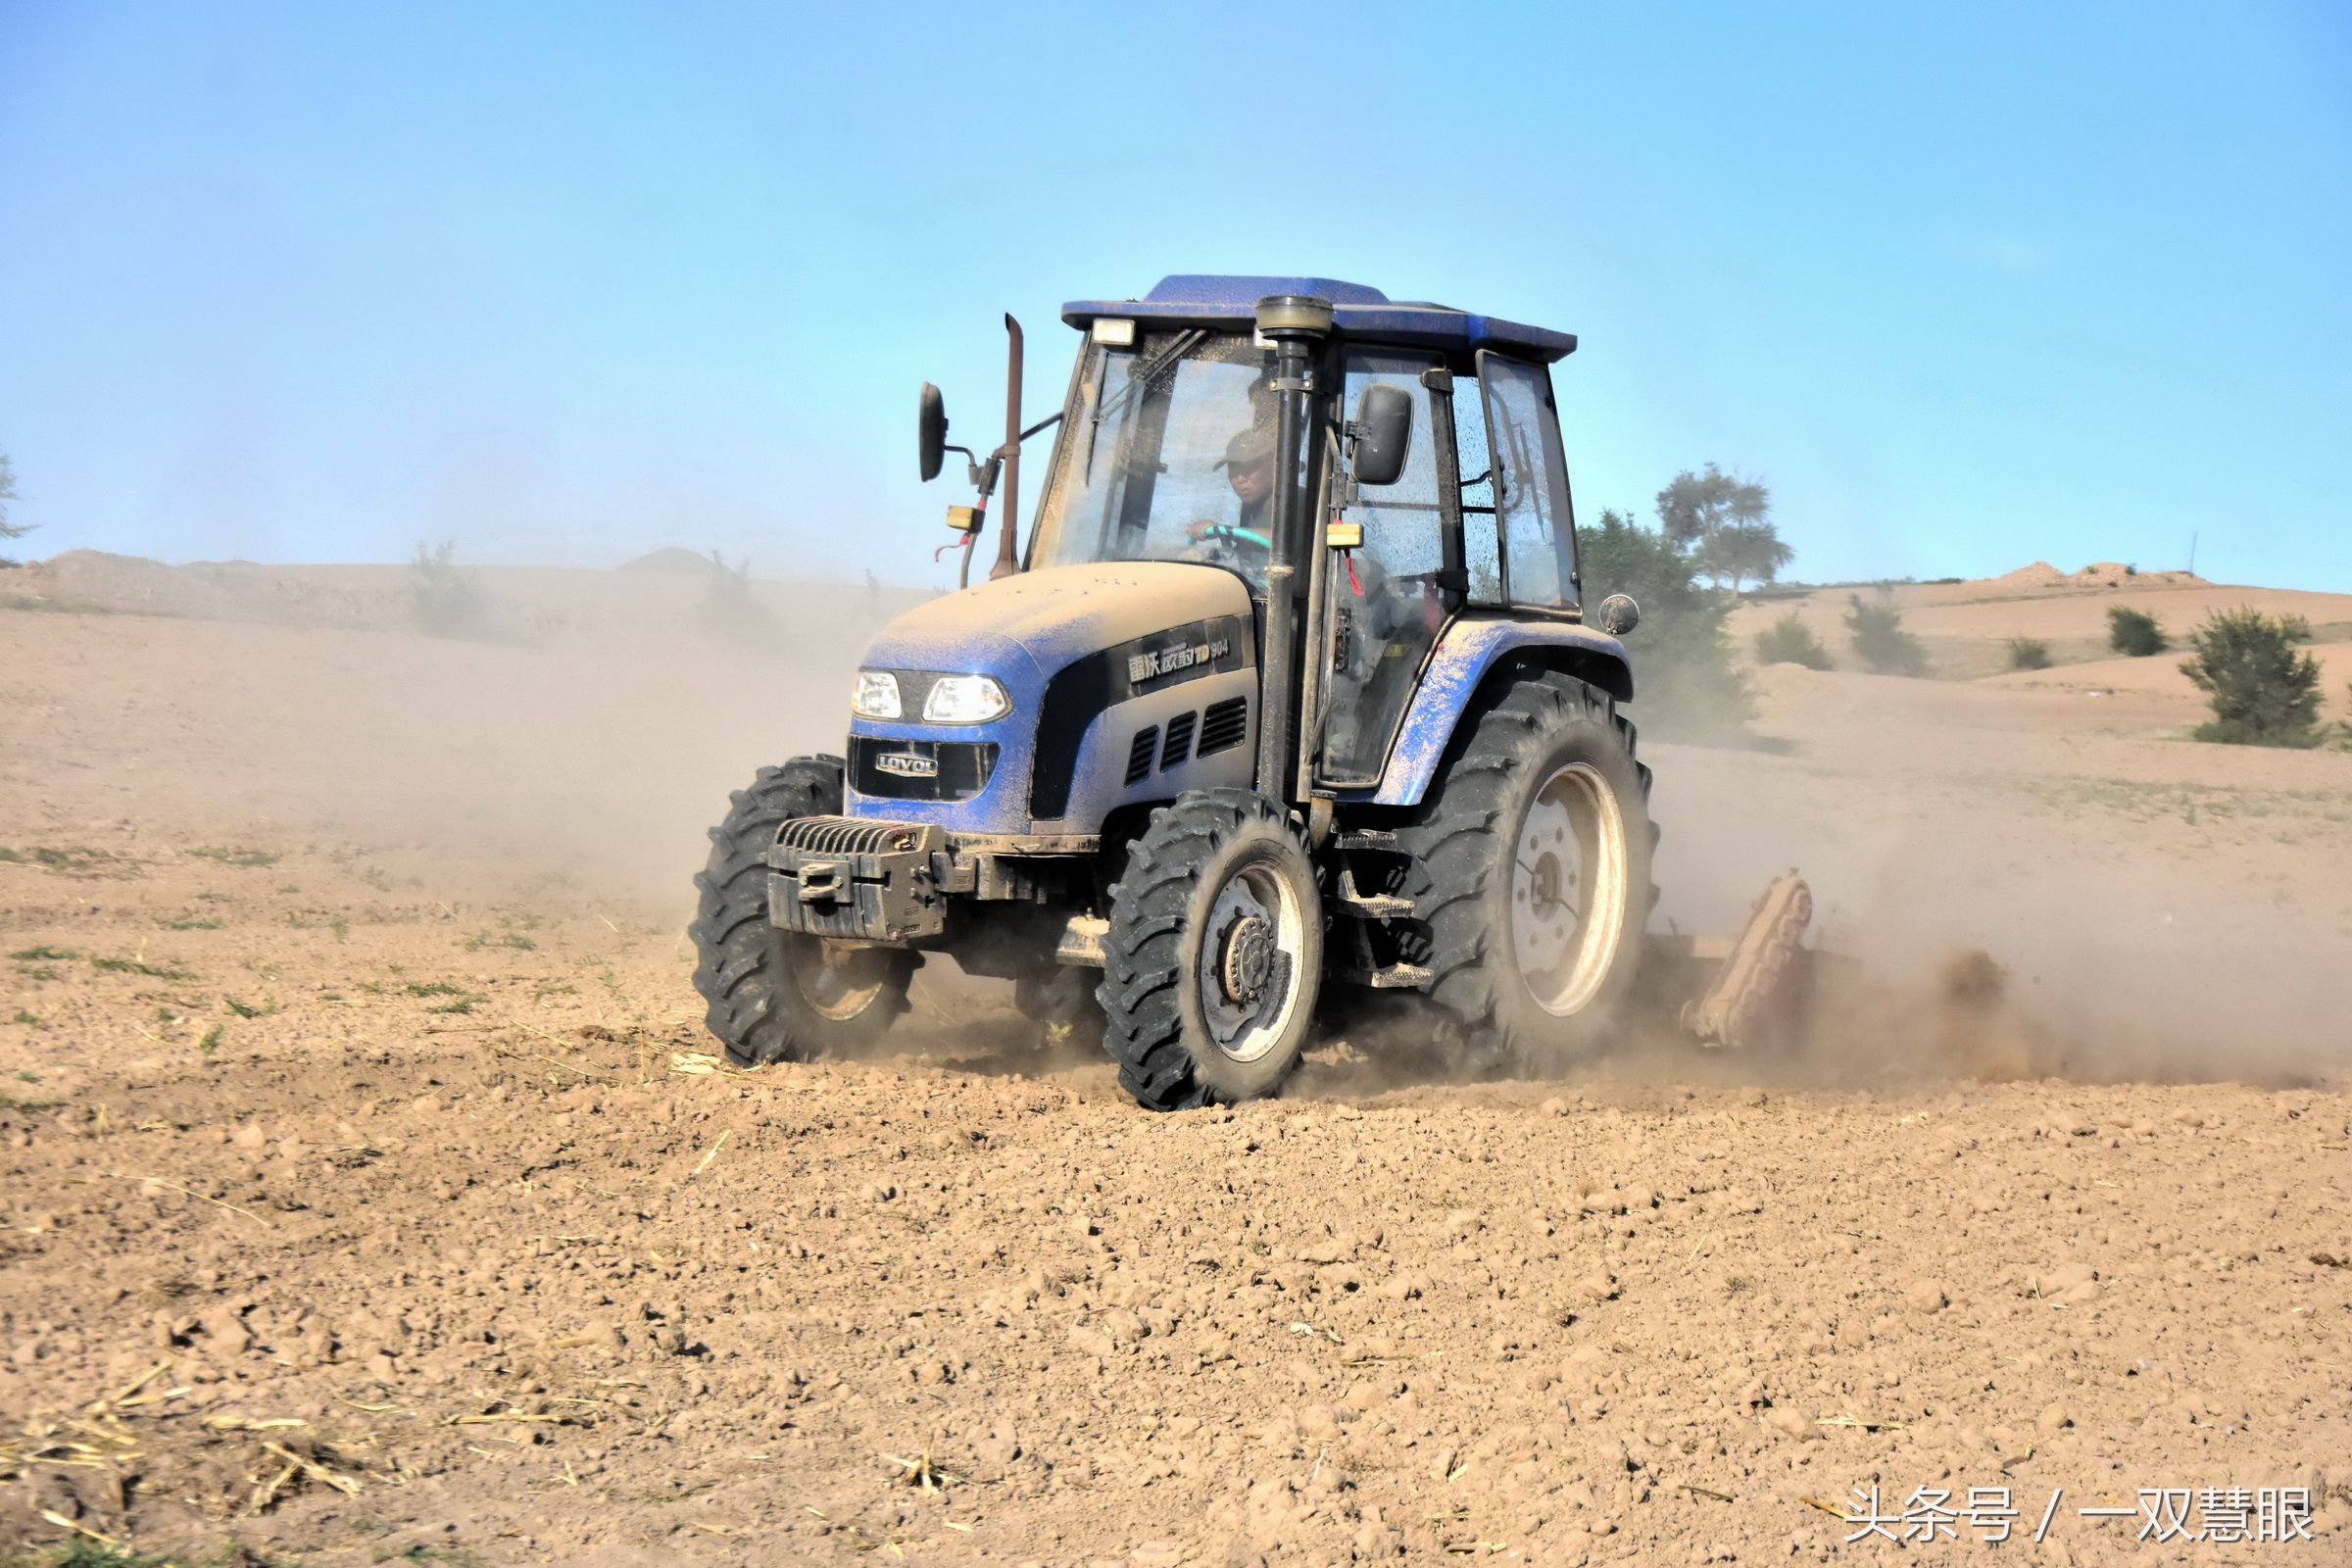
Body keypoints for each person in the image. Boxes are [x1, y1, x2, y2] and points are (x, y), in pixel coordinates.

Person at [1187, 422, 1276, 557]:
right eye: (1234, 470)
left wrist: (1224, 530)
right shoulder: (1251, 507)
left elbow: (1284, 542)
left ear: (1274, 466)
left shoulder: (1296, 501)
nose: (1240, 479)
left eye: (1249, 468)